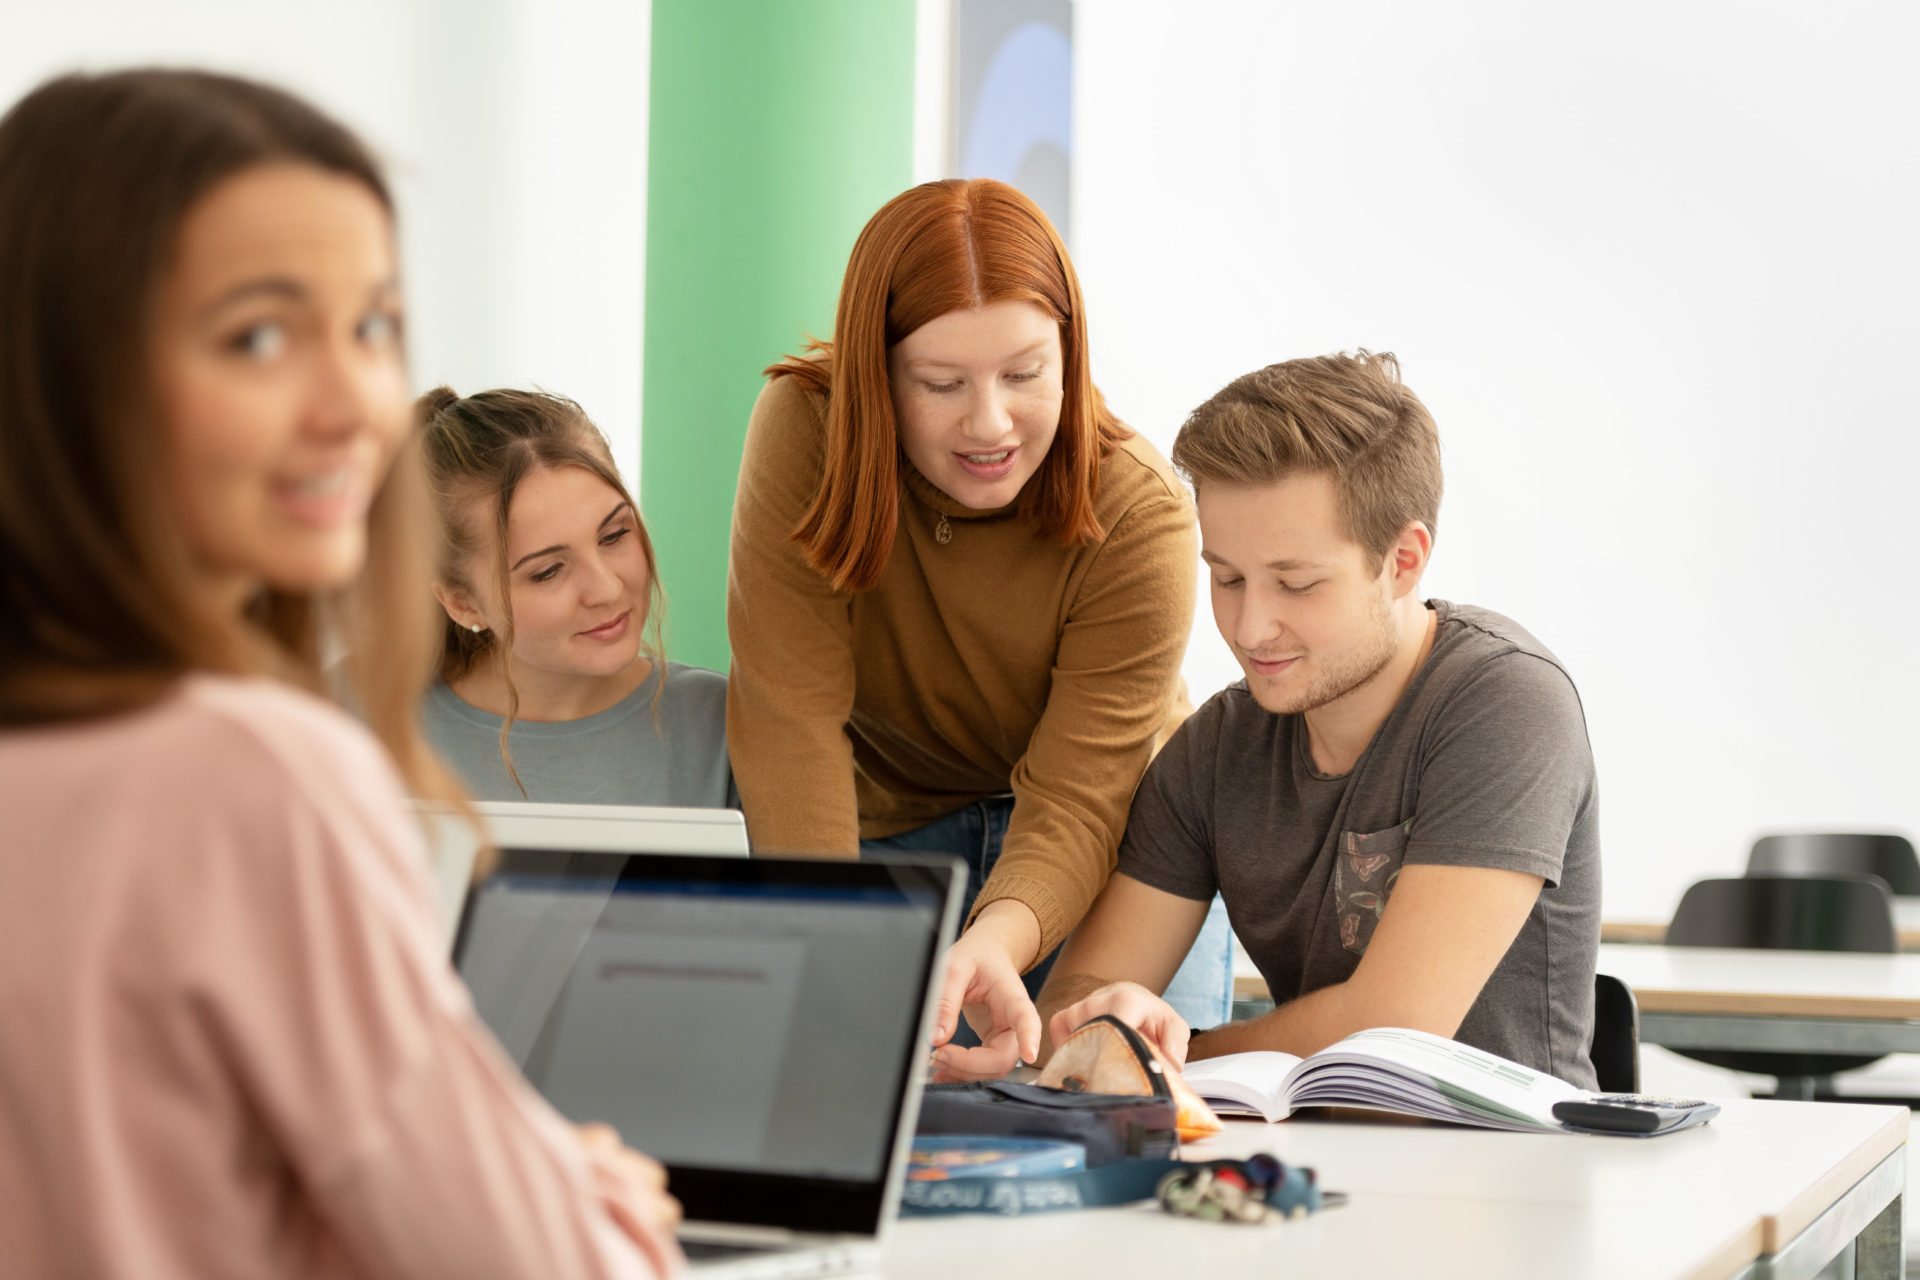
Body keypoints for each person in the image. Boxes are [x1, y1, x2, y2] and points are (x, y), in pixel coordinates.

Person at [0, 69, 682, 1276]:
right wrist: (584, 1203)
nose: (353, 404)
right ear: (74, 368)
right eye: (258, 336)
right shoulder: (249, 766)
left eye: (371, 326)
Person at [727, 177, 1230, 1081]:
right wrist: (838, 934)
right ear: (877, 372)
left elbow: (1079, 795)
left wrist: (1000, 933)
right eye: (940, 383)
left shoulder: (1141, 511)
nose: (989, 423)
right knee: (850, 1097)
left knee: (1127, 1122)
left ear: (1070, 356)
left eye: (1026, 374)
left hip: (1113, 836)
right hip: (885, 826)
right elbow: (786, 715)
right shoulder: (807, 429)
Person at [1037, 351, 1601, 1088]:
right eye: (1227, 577)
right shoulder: (1215, 747)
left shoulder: (1507, 704)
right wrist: (1099, 1019)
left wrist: (1168, 1056)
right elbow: (1070, 1013)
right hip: (1308, 1165)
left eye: (1296, 584)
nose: (1249, 627)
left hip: (1510, 1176)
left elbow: (1392, 1030)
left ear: (1403, 561)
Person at [418, 386, 731, 805]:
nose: (607, 589)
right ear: (462, 603)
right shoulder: (355, 721)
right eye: (547, 572)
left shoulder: (724, 728)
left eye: (615, 534)